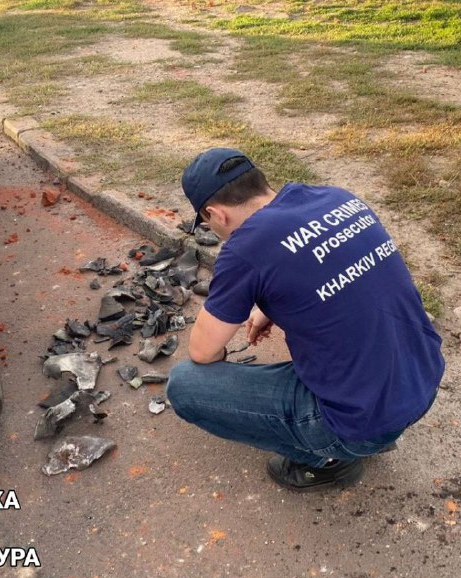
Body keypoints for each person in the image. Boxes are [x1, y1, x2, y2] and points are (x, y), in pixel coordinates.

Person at [166, 148, 445, 490]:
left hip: (361, 422)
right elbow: (326, 266)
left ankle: (330, 460)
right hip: (423, 379)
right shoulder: (336, 198)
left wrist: (224, 370)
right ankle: (371, 427)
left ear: (215, 214)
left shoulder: (244, 248)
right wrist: (269, 306)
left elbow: (202, 352)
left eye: (206, 222)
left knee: (184, 385)